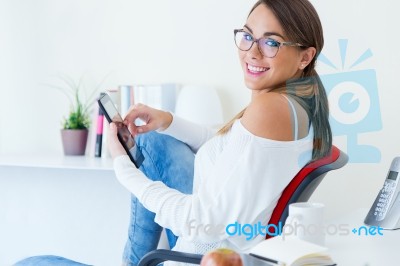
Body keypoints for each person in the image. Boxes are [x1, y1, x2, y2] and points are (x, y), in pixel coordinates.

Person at [14, 0, 331, 265]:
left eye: (271, 43)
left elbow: (203, 223)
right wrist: (168, 120)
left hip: (198, 252)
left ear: (305, 56)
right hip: (218, 241)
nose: (252, 52)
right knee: (154, 141)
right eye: (248, 36)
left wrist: (122, 166)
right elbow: (230, 148)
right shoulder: (299, 101)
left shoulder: (270, 109)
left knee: (30, 263)